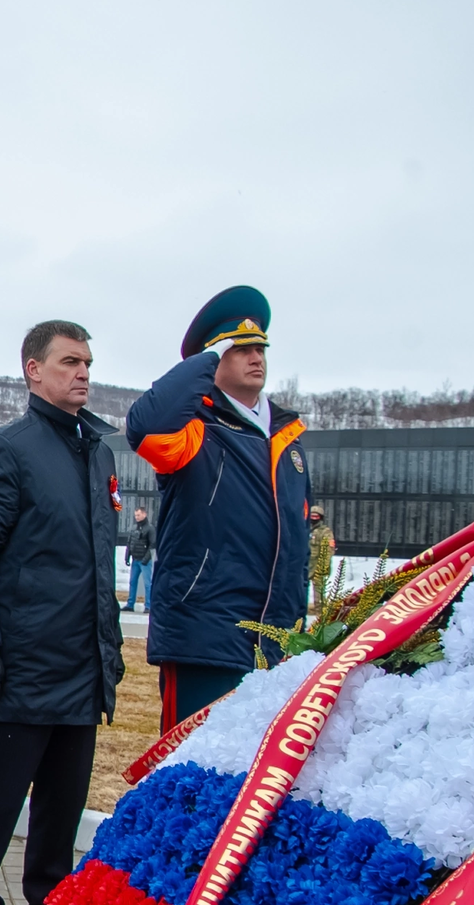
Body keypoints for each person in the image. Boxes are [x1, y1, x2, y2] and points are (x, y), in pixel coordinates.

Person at [0, 320, 124, 905]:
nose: (83, 373)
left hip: (80, 675)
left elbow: (98, 568)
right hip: (19, 671)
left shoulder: (96, 454)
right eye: (70, 361)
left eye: (88, 363)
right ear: (33, 370)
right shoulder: (9, 451)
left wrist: (107, 653)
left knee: (60, 817)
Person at [126, 287, 312, 729]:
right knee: (189, 776)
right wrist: (204, 361)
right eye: (239, 348)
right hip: (204, 637)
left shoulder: (288, 441)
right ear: (214, 357)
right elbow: (147, 428)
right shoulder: (194, 429)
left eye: (260, 348)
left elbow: (297, 541)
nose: (255, 357)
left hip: (276, 642)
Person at [124, 505, 154, 613]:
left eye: (138, 515)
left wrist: (146, 559)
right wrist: (127, 556)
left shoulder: (150, 528)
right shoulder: (133, 527)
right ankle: (130, 604)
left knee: (147, 583)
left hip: (145, 561)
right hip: (135, 559)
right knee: (132, 582)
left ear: (144, 514)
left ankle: (149, 605)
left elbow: (153, 544)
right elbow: (129, 542)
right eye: (135, 515)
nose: (136, 517)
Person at [309, 505, 336, 610]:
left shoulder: (326, 532)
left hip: (318, 566)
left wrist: (323, 566)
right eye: (312, 516)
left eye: (316, 516)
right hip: (305, 565)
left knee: (319, 593)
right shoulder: (304, 529)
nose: (313, 519)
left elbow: (329, 550)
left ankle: (319, 612)